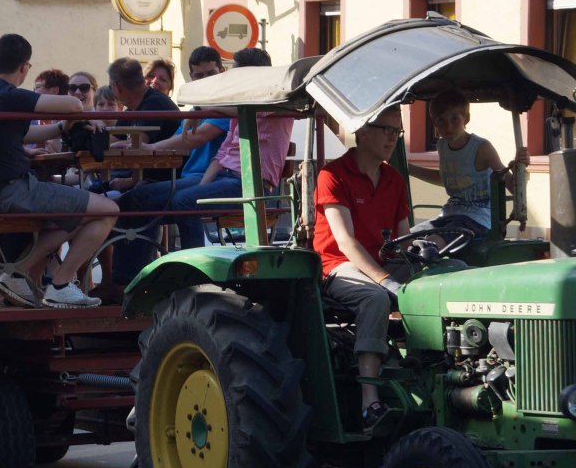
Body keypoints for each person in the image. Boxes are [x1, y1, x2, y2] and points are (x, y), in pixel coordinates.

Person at [0, 33, 115, 308]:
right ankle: (60, 283)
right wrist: (73, 117)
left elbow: (23, 135)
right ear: (24, 67)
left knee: (76, 216)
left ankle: (18, 273)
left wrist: (60, 128)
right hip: (13, 192)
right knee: (107, 210)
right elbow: (74, 105)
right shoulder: (9, 95)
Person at [313, 106, 412, 433]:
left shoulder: (393, 179)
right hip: (338, 266)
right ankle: (370, 402)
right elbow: (346, 243)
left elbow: (405, 239)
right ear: (363, 131)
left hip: (383, 262)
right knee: (375, 299)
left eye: (396, 132)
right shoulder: (333, 175)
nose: (391, 138)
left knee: (444, 283)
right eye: (386, 129)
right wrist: (386, 281)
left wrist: (422, 264)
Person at [106, 47, 229, 300]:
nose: (205, 80)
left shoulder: (225, 107)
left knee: (160, 200)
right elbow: (179, 139)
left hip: (212, 178)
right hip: (191, 176)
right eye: (198, 75)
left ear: (222, 71)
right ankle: (130, 283)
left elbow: (192, 140)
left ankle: (190, 281)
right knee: (131, 200)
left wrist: (148, 148)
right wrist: (132, 146)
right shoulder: (199, 106)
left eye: (211, 73)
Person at [166, 48, 293, 250]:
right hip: (228, 178)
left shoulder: (274, 100)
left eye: (236, 74)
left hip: (250, 184)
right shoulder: (241, 105)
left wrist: (199, 108)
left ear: (251, 75)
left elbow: (248, 110)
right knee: (151, 198)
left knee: (183, 201)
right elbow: (223, 154)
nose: (232, 80)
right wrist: (201, 187)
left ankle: (193, 264)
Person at [407, 90, 528, 239]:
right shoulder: (442, 145)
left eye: (454, 119)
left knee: (434, 242)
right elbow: (447, 179)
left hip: (479, 219)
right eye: (441, 121)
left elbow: (507, 181)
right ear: (434, 123)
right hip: (450, 214)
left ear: (466, 118)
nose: (448, 127)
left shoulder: (482, 148)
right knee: (407, 237)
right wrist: (408, 169)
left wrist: (519, 168)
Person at [106, 57, 181, 191]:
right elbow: (111, 140)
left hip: (163, 180)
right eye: (150, 76)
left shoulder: (154, 103)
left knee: (105, 201)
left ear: (116, 87)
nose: (154, 82)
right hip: (145, 177)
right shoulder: (133, 108)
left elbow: (136, 148)